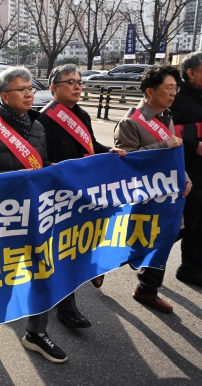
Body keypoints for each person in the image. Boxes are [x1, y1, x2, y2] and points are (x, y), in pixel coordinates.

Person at [0, 67, 67, 365]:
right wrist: (18, 176)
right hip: (4, 221)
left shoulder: (36, 127)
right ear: (4, 95)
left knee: (43, 273)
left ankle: (36, 333)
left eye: (30, 89)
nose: (29, 94)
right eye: (22, 89)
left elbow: (43, 165)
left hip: (38, 214)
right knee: (3, 279)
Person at [37, 64, 127, 328]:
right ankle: (67, 308)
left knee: (83, 244)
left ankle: (88, 273)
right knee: (66, 250)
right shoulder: (44, 121)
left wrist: (109, 151)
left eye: (79, 82)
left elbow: (89, 146)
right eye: (70, 82)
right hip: (62, 196)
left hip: (86, 192)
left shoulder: (83, 115)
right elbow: (41, 161)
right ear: (53, 88)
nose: (77, 86)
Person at [114, 65, 192, 313]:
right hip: (143, 200)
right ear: (150, 91)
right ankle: (111, 265)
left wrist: (185, 178)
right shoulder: (130, 122)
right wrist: (161, 144)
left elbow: (173, 155)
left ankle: (147, 288)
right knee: (143, 241)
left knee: (167, 237)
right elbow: (128, 162)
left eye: (175, 88)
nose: (173, 93)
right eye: (168, 88)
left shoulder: (165, 116)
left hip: (167, 197)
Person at [170, 52, 202, 287]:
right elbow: (162, 129)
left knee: (198, 223)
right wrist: (194, 143)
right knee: (185, 223)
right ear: (191, 73)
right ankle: (145, 263)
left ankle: (191, 267)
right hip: (183, 170)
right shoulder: (175, 97)